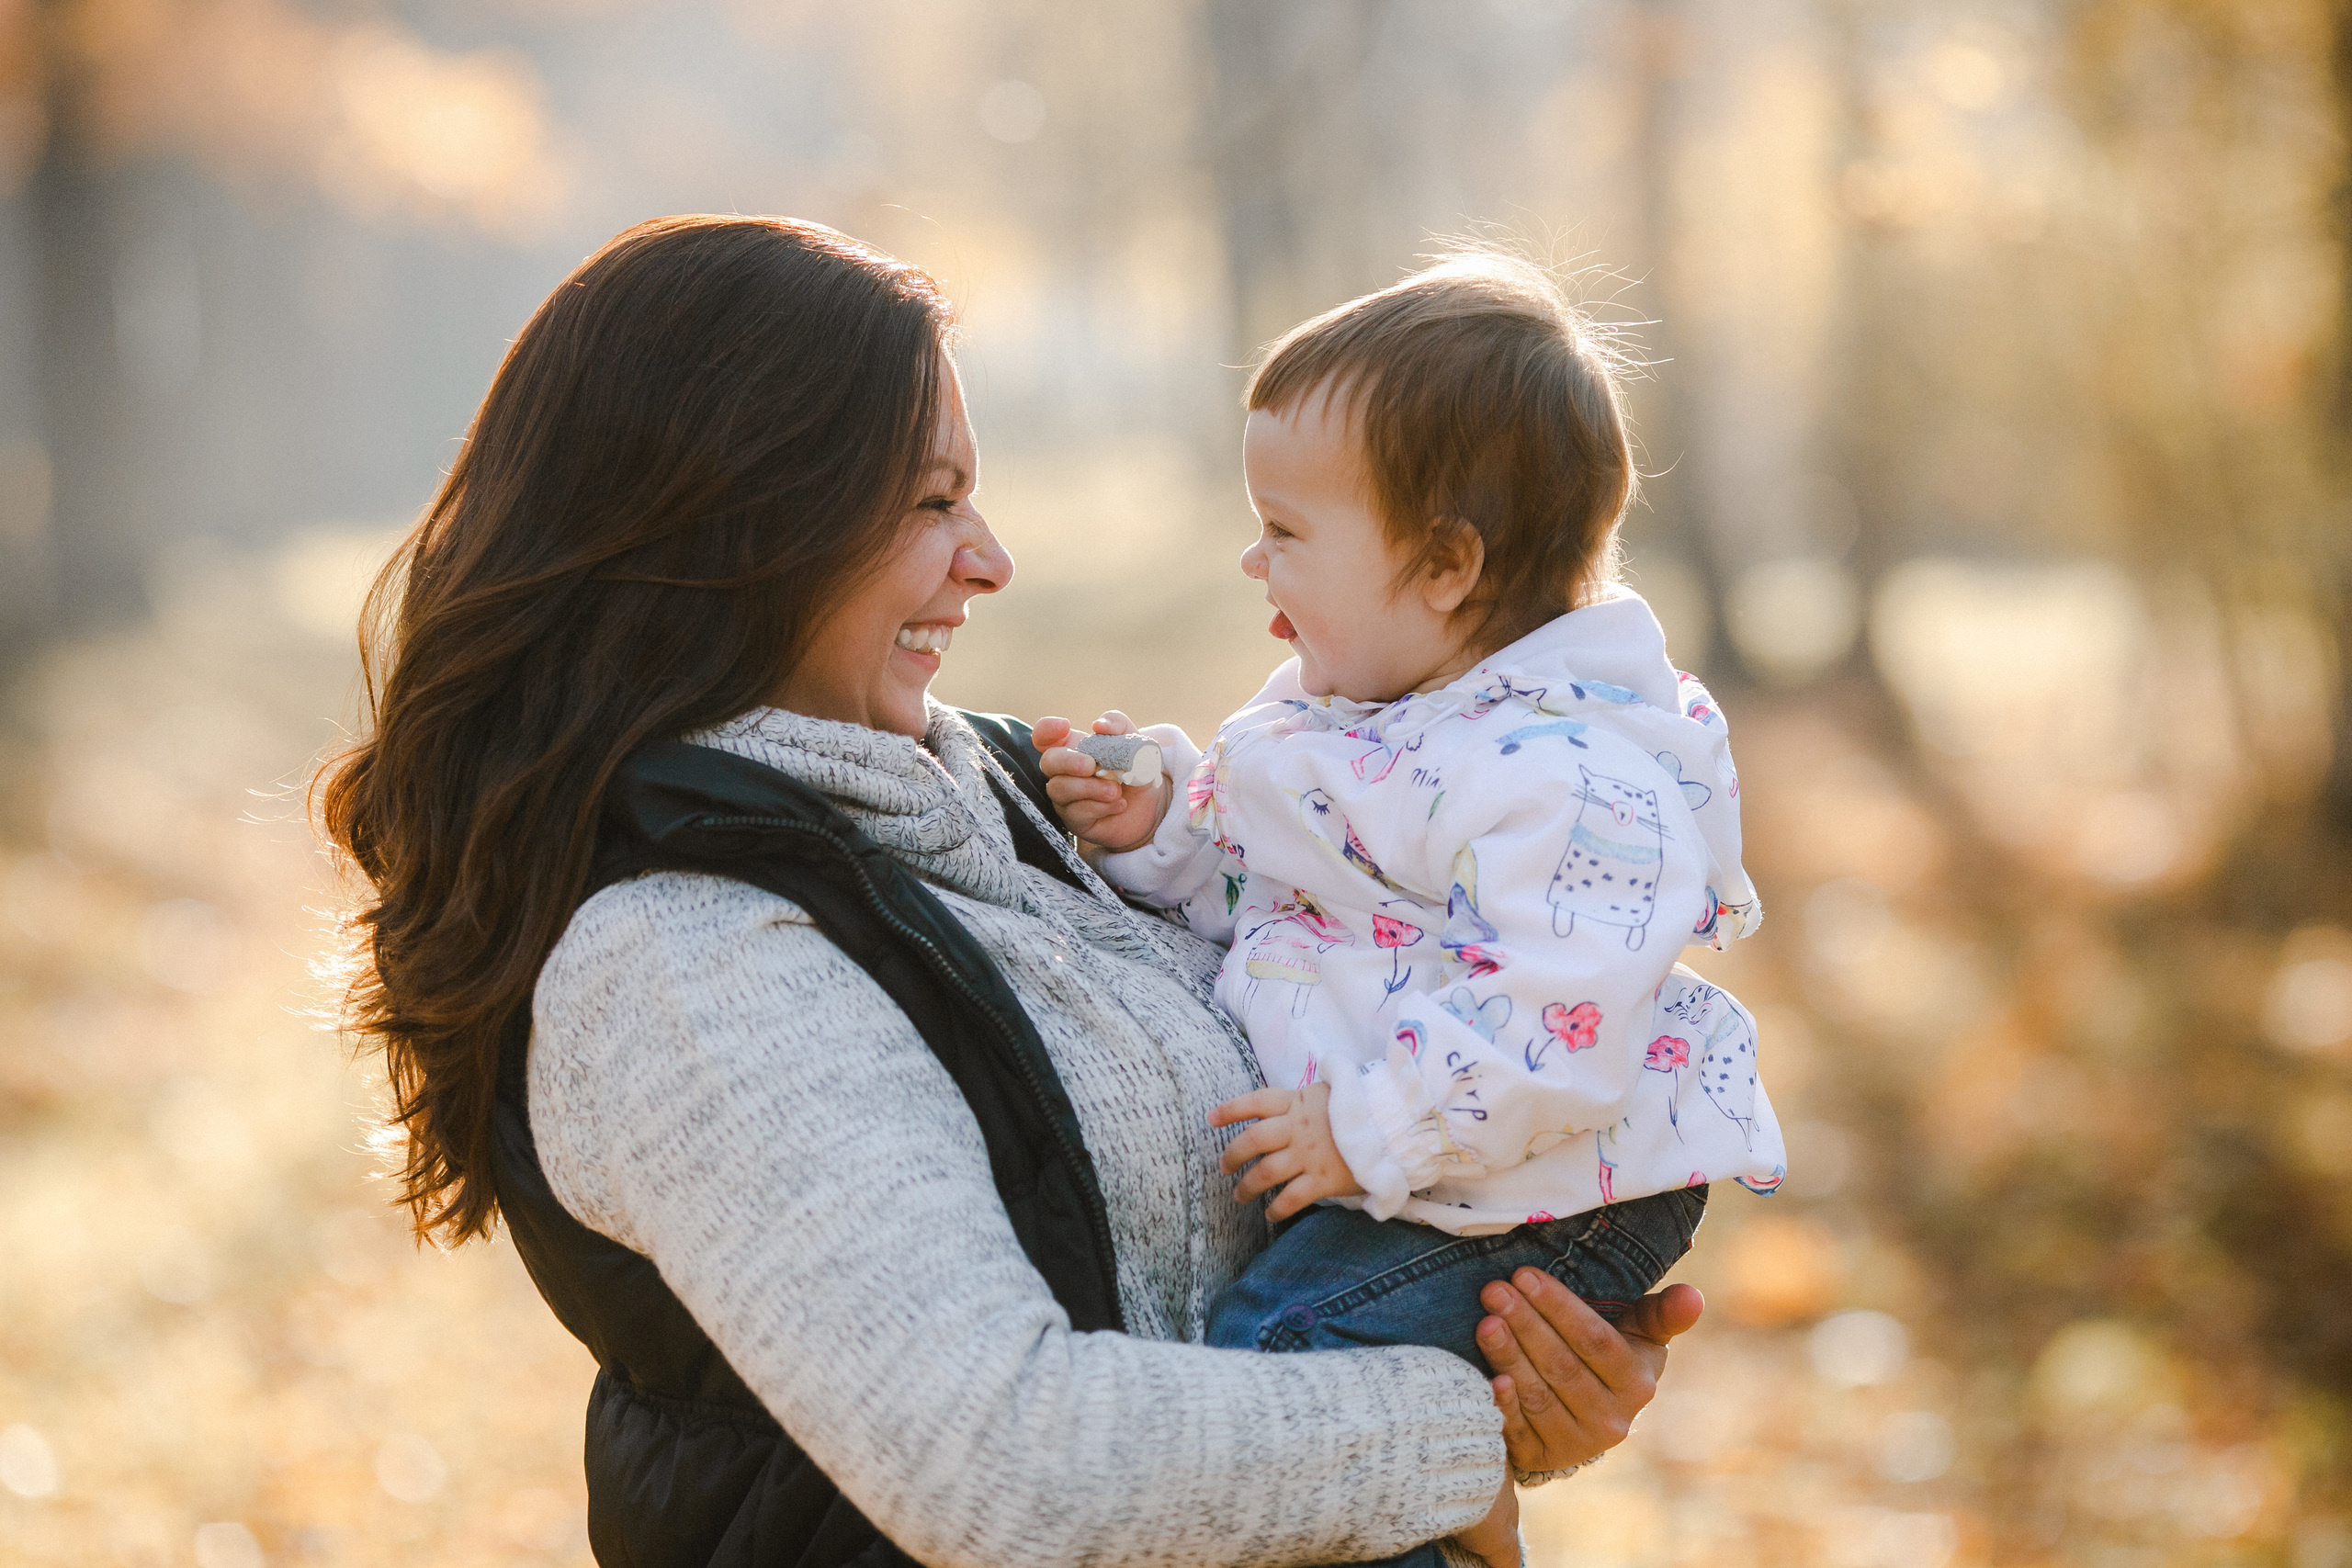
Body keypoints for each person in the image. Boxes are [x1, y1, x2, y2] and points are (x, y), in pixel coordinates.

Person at [319, 214, 1702, 1568]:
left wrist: (1515, 1349)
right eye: (931, 503)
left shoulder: (1008, 799)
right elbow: (1008, 1468)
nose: (992, 558)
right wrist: (1450, 1439)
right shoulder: (686, 956)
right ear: (736, 526)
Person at [1039, 253, 1785, 1564]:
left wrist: (1368, 1127)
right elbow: (1283, 905)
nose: (1249, 556)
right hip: (1441, 1159)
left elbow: (1555, 1032)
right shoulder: (1372, 715)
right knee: (1291, 1393)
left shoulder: (1569, 778)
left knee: (1280, 1365)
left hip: (1546, 1174)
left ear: (1444, 565)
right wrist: (1164, 833)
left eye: (1286, 530)